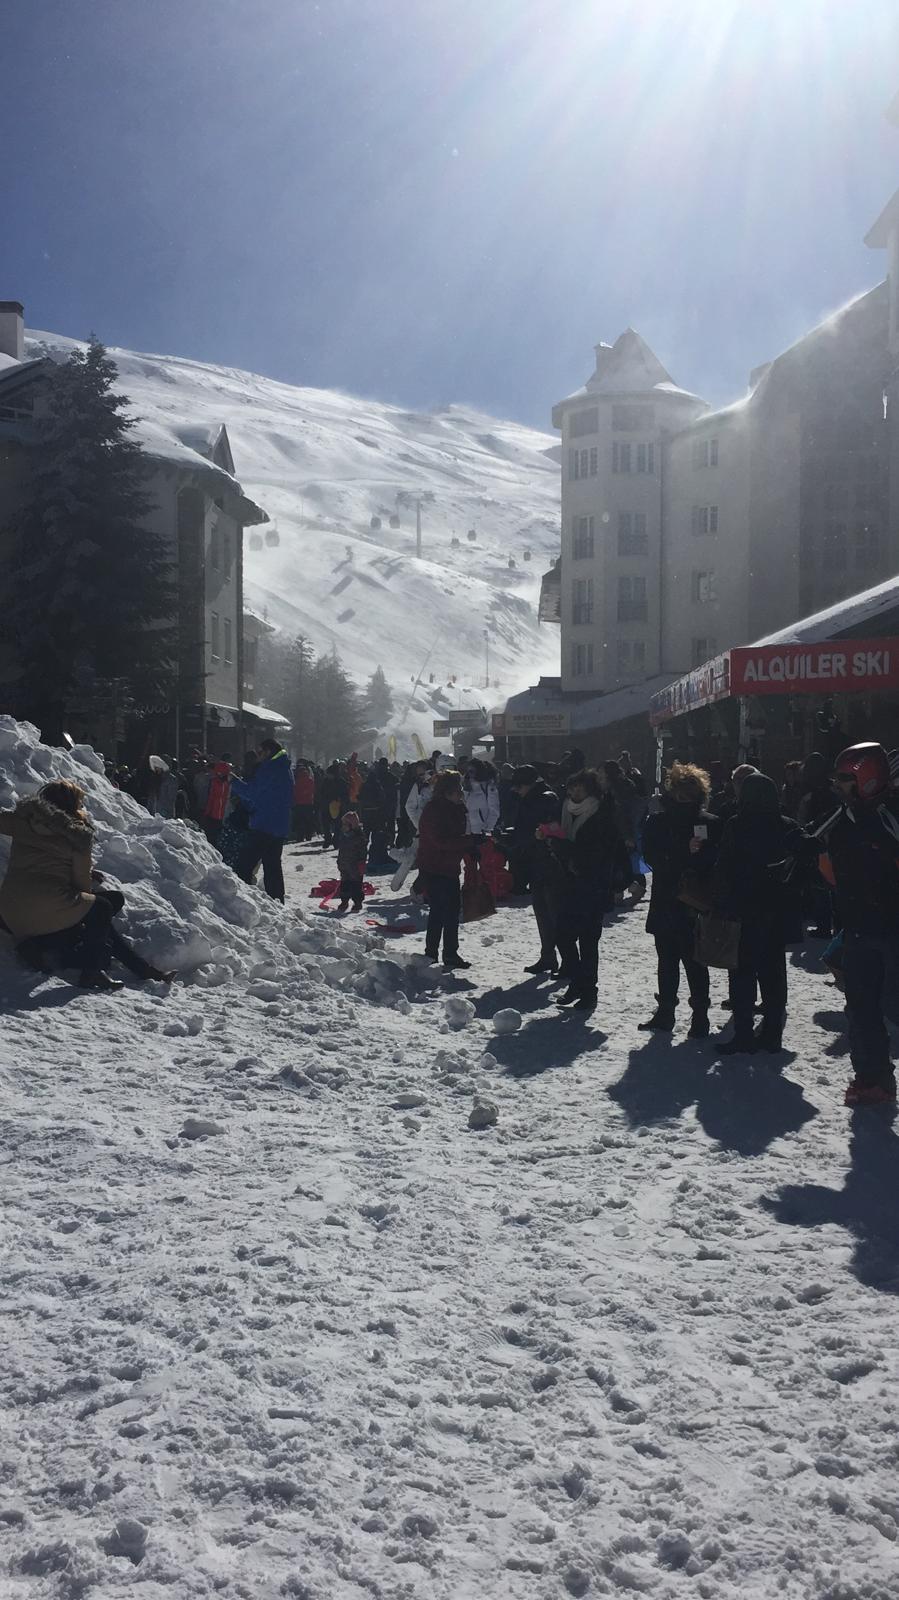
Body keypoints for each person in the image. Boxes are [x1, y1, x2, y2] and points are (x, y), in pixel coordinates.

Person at [0, 780, 172, 991]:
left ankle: (36, 946)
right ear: (72, 806)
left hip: (9, 912)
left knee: (113, 899)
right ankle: (93, 972)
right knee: (101, 908)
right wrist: (84, 877)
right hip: (43, 911)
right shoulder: (77, 836)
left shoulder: (23, 822)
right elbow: (82, 886)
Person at [822, 743, 899, 1106]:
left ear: (866, 779)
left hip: (890, 926)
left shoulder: (887, 815)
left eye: (845, 779)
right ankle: (873, 1079)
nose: (838, 786)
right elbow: (835, 873)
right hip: (857, 926)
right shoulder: (843, 819)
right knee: (862, 1008)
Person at [710, 772, 806, 1054]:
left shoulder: (738, 825)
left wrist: (721, 903)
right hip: (777, 909)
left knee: (741, 974)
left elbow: (724, 866)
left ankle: (743, 1034)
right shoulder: (787, 826)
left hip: (745, 909)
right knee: (774, 975)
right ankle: (772, 1035)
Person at [640, 762, 721, 1037]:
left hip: (696, 902)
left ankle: (700, 1015)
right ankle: (666, 1011)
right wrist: (681, 852)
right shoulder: (658, 822)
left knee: (695, 961)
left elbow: (715, 862)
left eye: (689, 795)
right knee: (667, 960)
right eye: (679, 794)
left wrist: (697, 856)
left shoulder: (709, 823)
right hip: (666, 897)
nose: (683, 801)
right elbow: (651, 857)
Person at [549, 769, 621, 1011]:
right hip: (569, 884)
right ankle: (579, 982)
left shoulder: (601, 814)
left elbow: (592, 854)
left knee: (588, 942)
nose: (573, 793)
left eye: (578, 789)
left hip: (593, 885)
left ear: (590, 790)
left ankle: (588, 991)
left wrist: (557, 843)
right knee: (562, 936)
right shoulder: (566, 809)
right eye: (571, 789)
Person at [416, 769, 475, 969]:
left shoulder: (457, 808)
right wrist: (466, 842)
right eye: (457, 790)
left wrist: (471, 845)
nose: (461, 793)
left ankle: (450, 953)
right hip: (434, 867)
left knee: (451, 912)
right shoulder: (433, 810)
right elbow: (439, 841)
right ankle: (431, 952)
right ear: (446, 792)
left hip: (450, 867)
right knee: (438, 912)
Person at [231, 738, 294, 902]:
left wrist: (233, 782)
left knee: (244, 865)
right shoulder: (284, 767)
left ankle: (238, 900)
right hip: (279, 825)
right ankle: (277, 900)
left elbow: (252, 792)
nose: (257, 756)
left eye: (260, 752)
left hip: (264, 824)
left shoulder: (269, 768)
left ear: (268, 752)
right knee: (272, 866)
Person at [500, 765, 560, 899]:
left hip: (541, 856)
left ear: (530, 784)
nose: (516, 790)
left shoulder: (545, 798)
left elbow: (554, 827)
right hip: (527, 852)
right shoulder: (525, 798)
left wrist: (535, 835)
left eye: (519, 786)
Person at [335, 810, 367, 912]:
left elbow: (363, 851)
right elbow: (341, 851)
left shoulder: (359, 837)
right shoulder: (344, 836)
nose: (343, 826)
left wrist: (361, 863)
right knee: (344, 884)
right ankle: (344, 901)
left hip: (355, 866)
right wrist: (339, 862)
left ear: (352, 825)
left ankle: (357, 902)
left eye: (345, 824)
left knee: (356, 885)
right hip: (345, 865)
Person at [464, 758, 500, 837]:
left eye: (472, 771)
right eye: (468, 771)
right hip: (470, 832)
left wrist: (488, 828)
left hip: (483, 831)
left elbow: (494, 809)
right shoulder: (467, 787)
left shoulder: (488, 786)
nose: (469, 774)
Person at [202, 755, 232, 848]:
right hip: (214, 814)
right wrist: (207, 812)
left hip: (225, 814)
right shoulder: (214, 782)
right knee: (213, 836)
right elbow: (211, 797)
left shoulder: (230, 783)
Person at [321, 761, 349, 849]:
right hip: (328, 805)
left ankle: (335, 840)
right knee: (327, 824)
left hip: (336, 805)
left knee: (337, 825)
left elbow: (345, 794)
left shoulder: (340, 782)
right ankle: (329, 839)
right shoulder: (328, 781)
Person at [291, 761, 317, 842]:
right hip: (308, 803)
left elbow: (294, 792)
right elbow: (313, 791)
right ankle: (308, 835)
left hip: (298, 803)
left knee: (299, 821)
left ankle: (300, 836)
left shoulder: (297, 781)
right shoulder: (310, 781)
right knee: (308, 821)